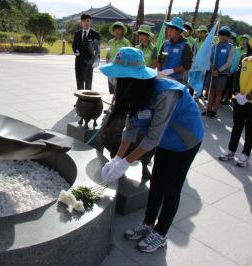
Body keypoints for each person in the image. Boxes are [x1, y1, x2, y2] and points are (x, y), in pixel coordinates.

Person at [99, 47, 204, 253]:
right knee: (156, 182)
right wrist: (116, 159)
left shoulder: (165, 92)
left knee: (171, 187)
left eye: (121, 78)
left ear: (135, 78)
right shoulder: (136, 93)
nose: (118, 83)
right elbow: (130, 129)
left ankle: (161, 233)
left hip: (185, 141)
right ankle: (148, 223)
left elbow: (152, 138)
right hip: (165, 140)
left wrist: (125, 163)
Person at [219, 38, 252, 167]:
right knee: (237, 126)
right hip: (239, 99)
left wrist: (248, 96)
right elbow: (236, 78)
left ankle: (245, 154)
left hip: (250, 101)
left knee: (250, 129)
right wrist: (237, 93)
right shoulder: (245, 60)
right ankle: (231, 150)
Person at [202, 26, 235, 118]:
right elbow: (208, 58)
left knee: (218, 93)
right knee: (211, 92)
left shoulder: (231, 48)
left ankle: (214, 111)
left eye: (226, 35)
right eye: (221, 34)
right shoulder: (214, 46)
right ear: (218, 35)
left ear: (229, 37)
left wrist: (218, 70)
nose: (223, 37)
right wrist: (211, 67)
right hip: (211, 73)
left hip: (222, 74)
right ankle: (208, 109)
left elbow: (229, 63)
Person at [157, 17, 193, 84]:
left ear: (179, 31)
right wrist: (159, 72)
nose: (169, 32)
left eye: (172, 29)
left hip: (177, 80)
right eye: (168, 29)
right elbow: (159, 60)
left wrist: (172, 71)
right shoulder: (165, 44)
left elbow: (187, 65)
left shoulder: (185, 46)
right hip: (163, 78)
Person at [72, 14, 101, 90]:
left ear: (90, 22)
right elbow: (74, 45)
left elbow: (97, 49)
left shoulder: (95, 34)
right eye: (84, 21)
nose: (86, 23)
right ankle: (80, 100)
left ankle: (88, 101)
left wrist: (97, 60)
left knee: (88, 84)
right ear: (81, 22)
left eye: (88, 21)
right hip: (78, 62)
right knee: (79, 82)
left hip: (89, 62)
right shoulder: (77, 33)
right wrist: (75, 51)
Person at [106, 21, 131, 94]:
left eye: (119, 29)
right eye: (115, 29)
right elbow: (108, 54)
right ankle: (112, 104)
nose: (117, 31)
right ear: (113, 31)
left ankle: (117, 105)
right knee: (111, 90)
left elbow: (128, 57)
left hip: (121, 69)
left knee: (119, 91)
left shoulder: (126, 43)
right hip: (111, 68)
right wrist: (107, 60)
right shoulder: (110, 42)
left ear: (122, 31)